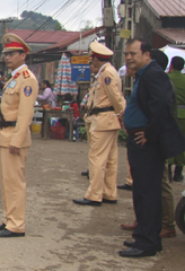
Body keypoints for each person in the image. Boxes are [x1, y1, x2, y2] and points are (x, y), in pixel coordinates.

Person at [119, 39, 185, 258]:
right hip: (139, 141)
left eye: (133, 53)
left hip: (146, 143)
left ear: (146, 54)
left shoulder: (154, 74)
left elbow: (161, 106)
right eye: (126, 54)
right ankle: (145, 236)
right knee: (142, 191)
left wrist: (149, 133)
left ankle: (147, 242)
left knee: (147, 193)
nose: (129, 58)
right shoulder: (143, 75)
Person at [0, 33, 38, 238]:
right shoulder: (14, 79)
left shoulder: (27, 80)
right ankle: (10, 218)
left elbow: (26, 114)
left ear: (23, 55)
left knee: (15, 182)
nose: (7, 57)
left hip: (13, 136)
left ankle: (16, 224)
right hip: (5, 135)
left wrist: (17, 140)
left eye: (12, 54)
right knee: (7, 182)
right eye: (6, 54)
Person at [73, 42, 126, 207]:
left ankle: (94, 195)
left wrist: (122, 116)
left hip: (103, 119)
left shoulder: (106, 74)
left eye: (92, 58)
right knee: (110, 159)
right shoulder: (108, 72)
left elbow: (116, 98)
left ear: (96, 59)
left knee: (97, 158)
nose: (91, 61)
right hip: (106, 119)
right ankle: (109, 193)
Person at [167, 56, 185, 182]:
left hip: (170, 114)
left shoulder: (167, 78)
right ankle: (178, 173)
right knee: (182, 143)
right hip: (184, 115)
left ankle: (167, 171)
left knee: (168, 141)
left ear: (171, 65)